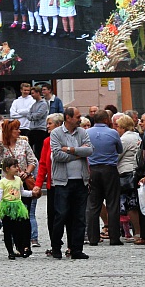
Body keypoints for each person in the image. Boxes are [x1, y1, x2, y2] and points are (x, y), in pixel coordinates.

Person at [49, 107, 93, 259]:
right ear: (68, 117)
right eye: (77, 116)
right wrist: (78, 153)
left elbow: (89, 151)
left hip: (81, 181)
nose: (80, 119)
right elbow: (57, 155)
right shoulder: (56, 133)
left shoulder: (82, 132)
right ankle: (56, 247)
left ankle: (76, 249)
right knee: (61, 215)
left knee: (79, 216)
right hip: (63, 182)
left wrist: (70, 149)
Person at [0, 118, 39, 246]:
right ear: (9, 131)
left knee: (24, 215)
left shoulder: (23, 143)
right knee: (10, 216)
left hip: (22, 182)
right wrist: (1, 128)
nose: (19, 131)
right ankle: (13, 242)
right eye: (16, 129)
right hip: (8, 185)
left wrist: (27, 172)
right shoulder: (2, 146)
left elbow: (32, 160)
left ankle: (25, 243)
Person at [85, 110, 124, 246]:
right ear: (107, 120)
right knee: (113, 203)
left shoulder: (87, 133)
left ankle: (93, 237)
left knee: (93, 204)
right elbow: (119, 150)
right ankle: (114, 237)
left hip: (93, 169)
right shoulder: (113, 133)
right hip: (109, 169)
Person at [0, 156, 41, 259]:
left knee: (18, 229)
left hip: (18, 206)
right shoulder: (2, 182)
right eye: (14, 166)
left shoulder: (18, 180)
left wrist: (32, 193)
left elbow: (22, 192)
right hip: (7, 207)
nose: (17, 168)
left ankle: (21, 248)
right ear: (7, 169)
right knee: (7, 230)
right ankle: (10, 251)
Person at [115, 115, 143, 243]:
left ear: (123, 127)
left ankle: (137, 232)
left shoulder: (124, 139)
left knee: (130, 204)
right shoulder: (137, 136)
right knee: (135, 203)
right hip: (134, 171)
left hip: (126, 172)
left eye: (118, 127)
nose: (117, 129)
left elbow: (117, 156)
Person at [38, 113, 62, 253]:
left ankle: (72, 246)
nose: (47, 126)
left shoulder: (65, 140)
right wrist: (38, 184)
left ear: (58, 125)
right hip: (52, 184)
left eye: (50, 123)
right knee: (52, 216)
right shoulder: (47, 141)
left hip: (66, 184)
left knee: (66, 215)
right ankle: (55, 245)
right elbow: (43, 164)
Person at [25, 86, 50, 160]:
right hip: (33, 129)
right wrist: (32, 116)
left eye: (33, 93)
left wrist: (32, 116)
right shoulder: (34, 104)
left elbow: (38, 115)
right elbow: (28, 115)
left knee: (39, 149)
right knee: (28, 145)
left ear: (38, 93)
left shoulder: (44, 104)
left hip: (40, 129)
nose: (31, 95)